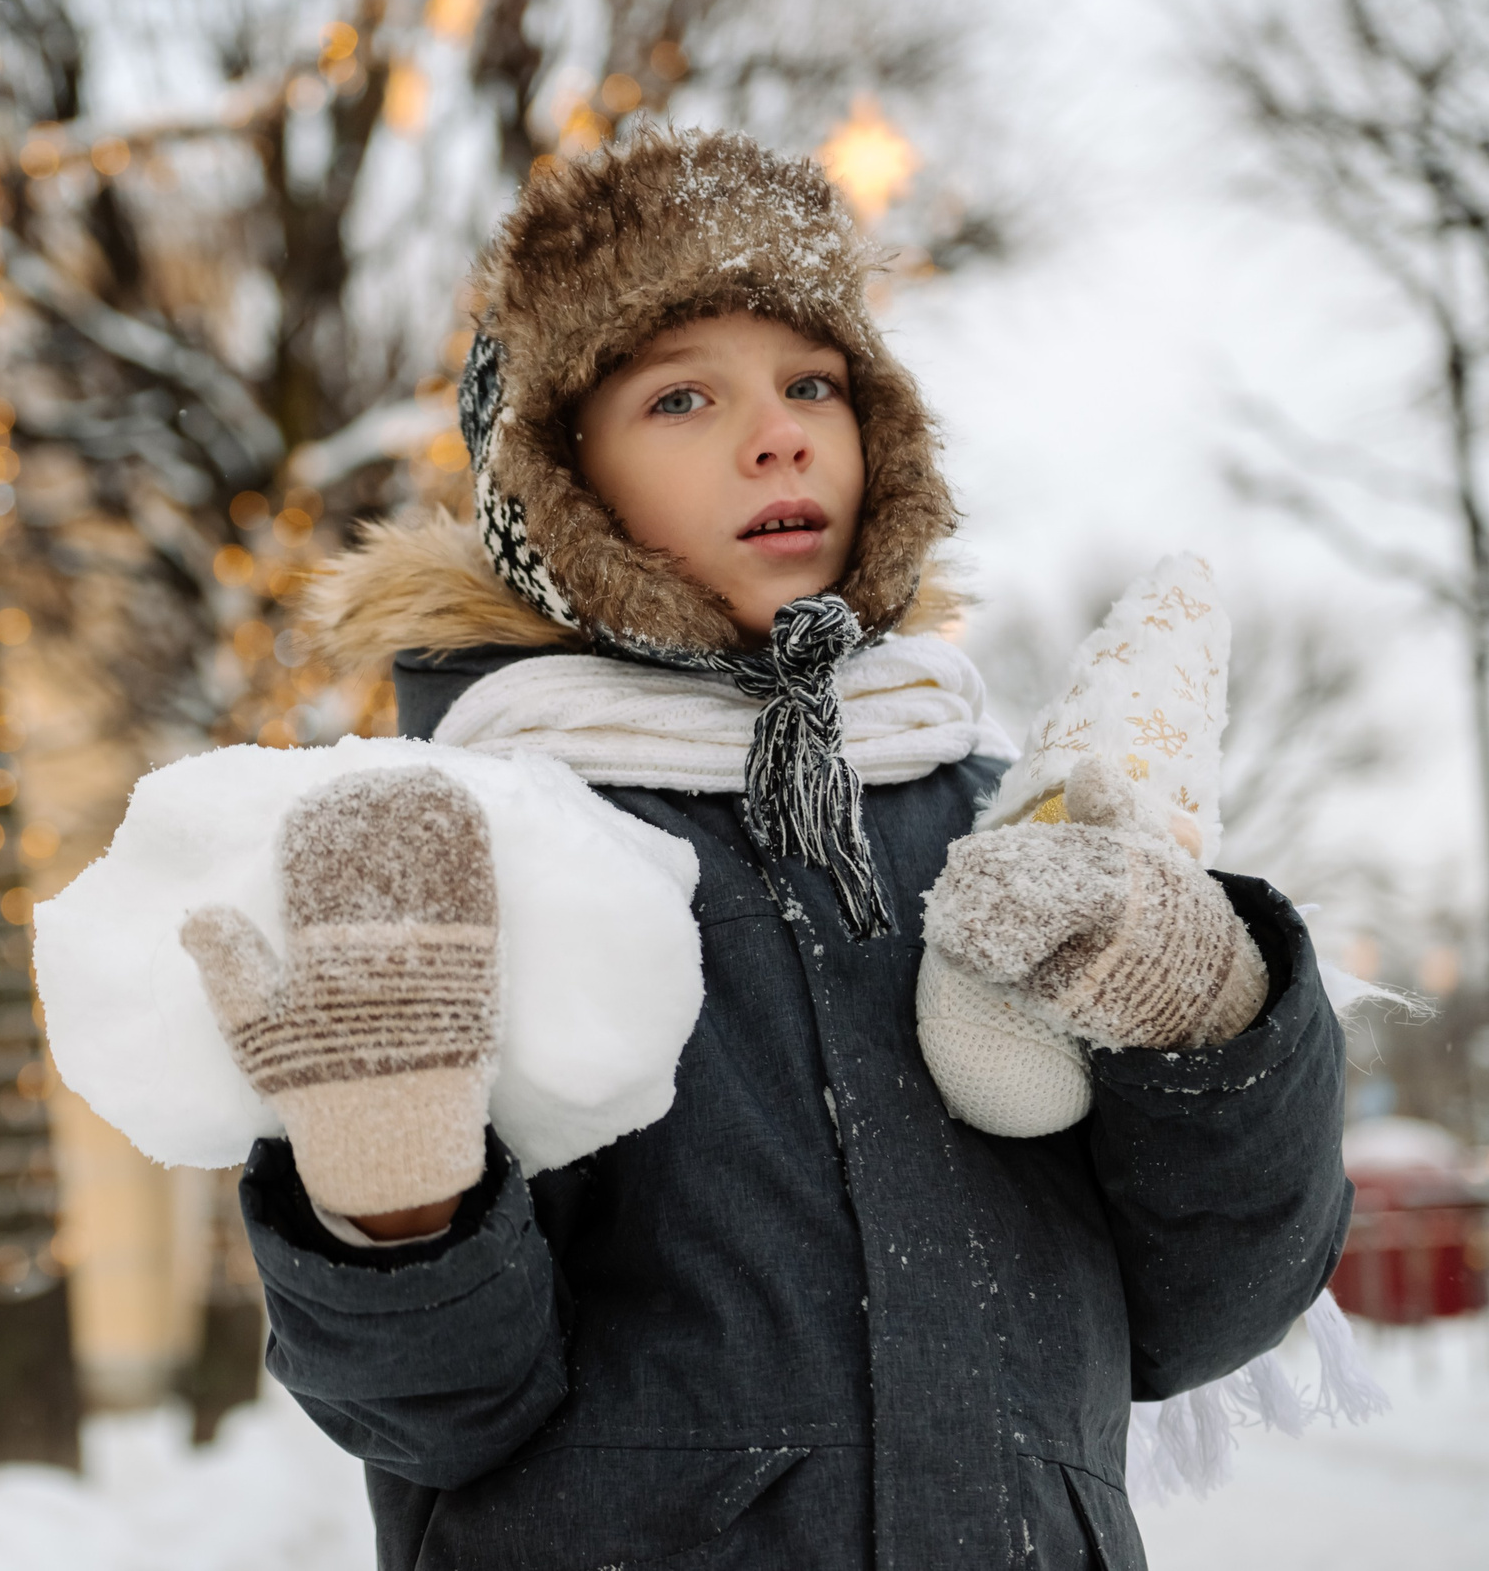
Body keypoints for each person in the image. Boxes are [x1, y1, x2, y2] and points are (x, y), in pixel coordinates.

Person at [195, 130, 1350, 1569]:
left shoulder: (1004, 825)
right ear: (560, 481)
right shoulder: (476, 845)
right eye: (683, 395)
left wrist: (1205, 1011)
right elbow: (440, 1420)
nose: (780, 433)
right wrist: (393, 1188)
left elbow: (1208, 1311)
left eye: (814, 382)